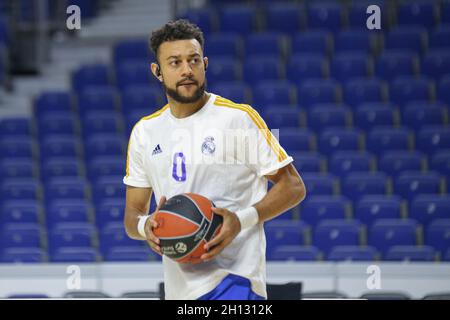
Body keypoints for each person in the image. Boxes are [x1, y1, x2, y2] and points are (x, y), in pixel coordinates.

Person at [123, 19, 306, 300]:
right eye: (175, 62)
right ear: (157, 71)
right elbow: (132, 215)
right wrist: (144, 226)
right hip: (180, 290)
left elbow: (293, 186)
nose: (187, 70)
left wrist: (241, 220)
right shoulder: (145, 132)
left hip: (236, 283)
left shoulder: (237, 119)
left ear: (205, 63)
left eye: (193, 60)